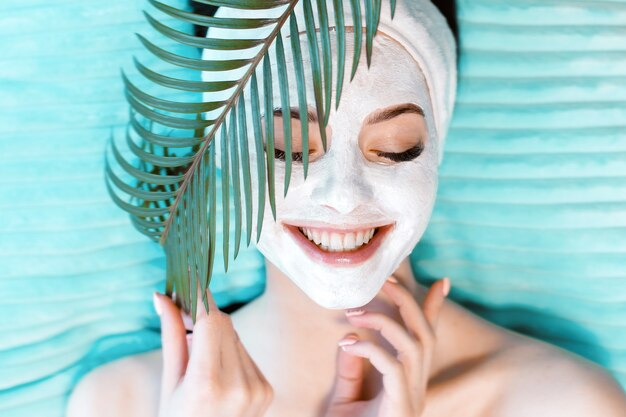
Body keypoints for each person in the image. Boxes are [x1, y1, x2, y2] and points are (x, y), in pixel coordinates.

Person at [66, 1, 626, 416]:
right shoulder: (122, 403)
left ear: (436, 145)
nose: (343, 194)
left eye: (395, 146)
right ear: (221, 157)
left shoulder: (561, 403)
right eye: (286, 146)